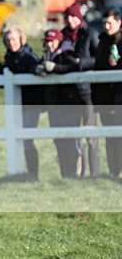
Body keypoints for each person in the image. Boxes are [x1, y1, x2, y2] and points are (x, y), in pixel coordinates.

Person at [0, 25, 43, 179]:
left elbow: (36, 74)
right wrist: (0, 65)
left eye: (14, 39)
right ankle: (19, 171)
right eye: (8, 40)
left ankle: (33, 174)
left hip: (30, 105)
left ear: (21, 39)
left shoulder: (29, 57)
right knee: (15, 140)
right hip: (14, 107)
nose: (11, 43)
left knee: (27, 139)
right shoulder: (6, 58)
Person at [62, 1, 101, 177]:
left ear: (78, 18)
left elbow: (98, 59)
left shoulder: (90, 34)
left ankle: (94, 173)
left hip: (86, 92)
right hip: (68, 94)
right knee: (72, 136)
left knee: (91, 135)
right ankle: (77, 173)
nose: (69, 20)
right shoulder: (62, 36)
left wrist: (80, 63)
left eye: (72, 16)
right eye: (67, 16)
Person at [39, 29, 82, 178]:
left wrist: (55, 68)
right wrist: (37, 70)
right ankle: (65, 174)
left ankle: (75, 174)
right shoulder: (45, 56)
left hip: (69, 104)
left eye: (53, 41)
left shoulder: (67, 53)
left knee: (71, 141)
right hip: (54, 106)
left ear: (59, 41)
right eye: (48, 41)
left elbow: (76, 67)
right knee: (59, 142)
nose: (50, 44)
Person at [93, 8, 122, 179]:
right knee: (109, 137)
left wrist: (117, 65)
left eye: (110, 23)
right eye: (104, 23)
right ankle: (113, 170)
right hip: (105, 97)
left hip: (119, 97)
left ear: (119, 23)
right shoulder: (102, 41)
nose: (106, 26)